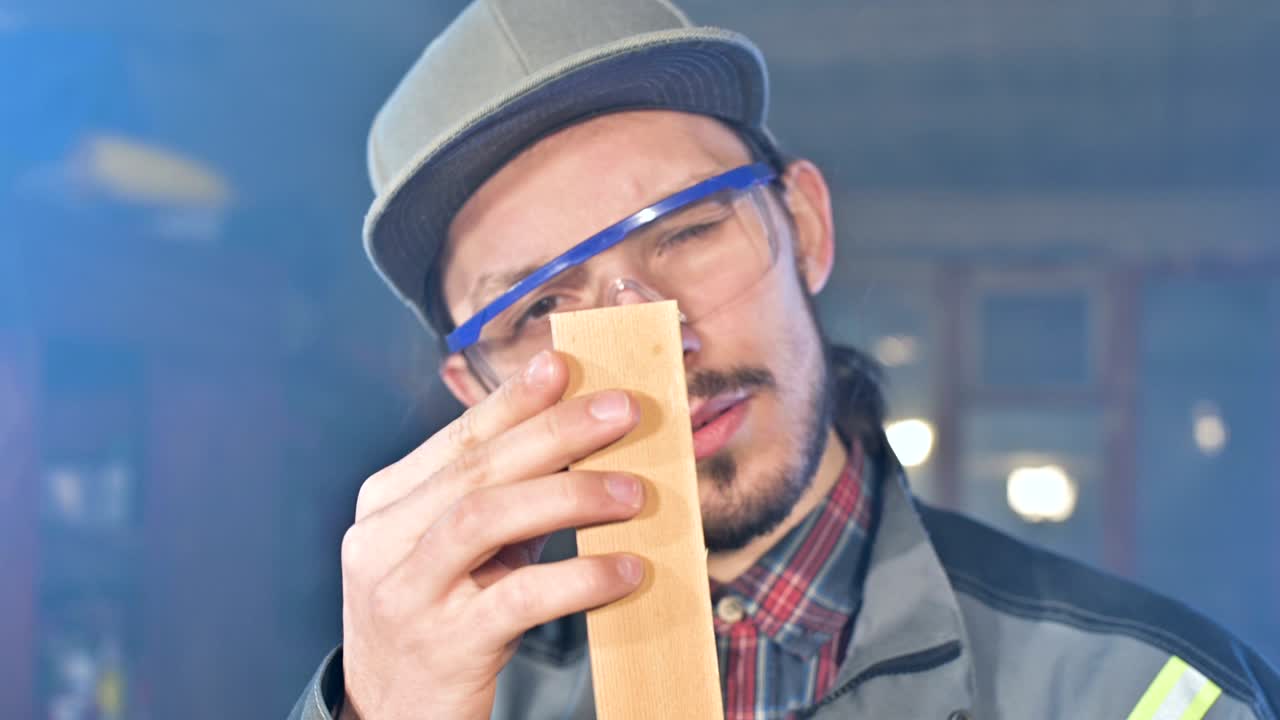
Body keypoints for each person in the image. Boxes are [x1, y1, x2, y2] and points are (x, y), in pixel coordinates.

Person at [289, 1, 1280, 718]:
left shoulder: (1136, 693)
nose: (655, 335)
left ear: (804, 225)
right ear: (476, 391)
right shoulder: (451, 699)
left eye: (686, 232)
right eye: (539, 305)